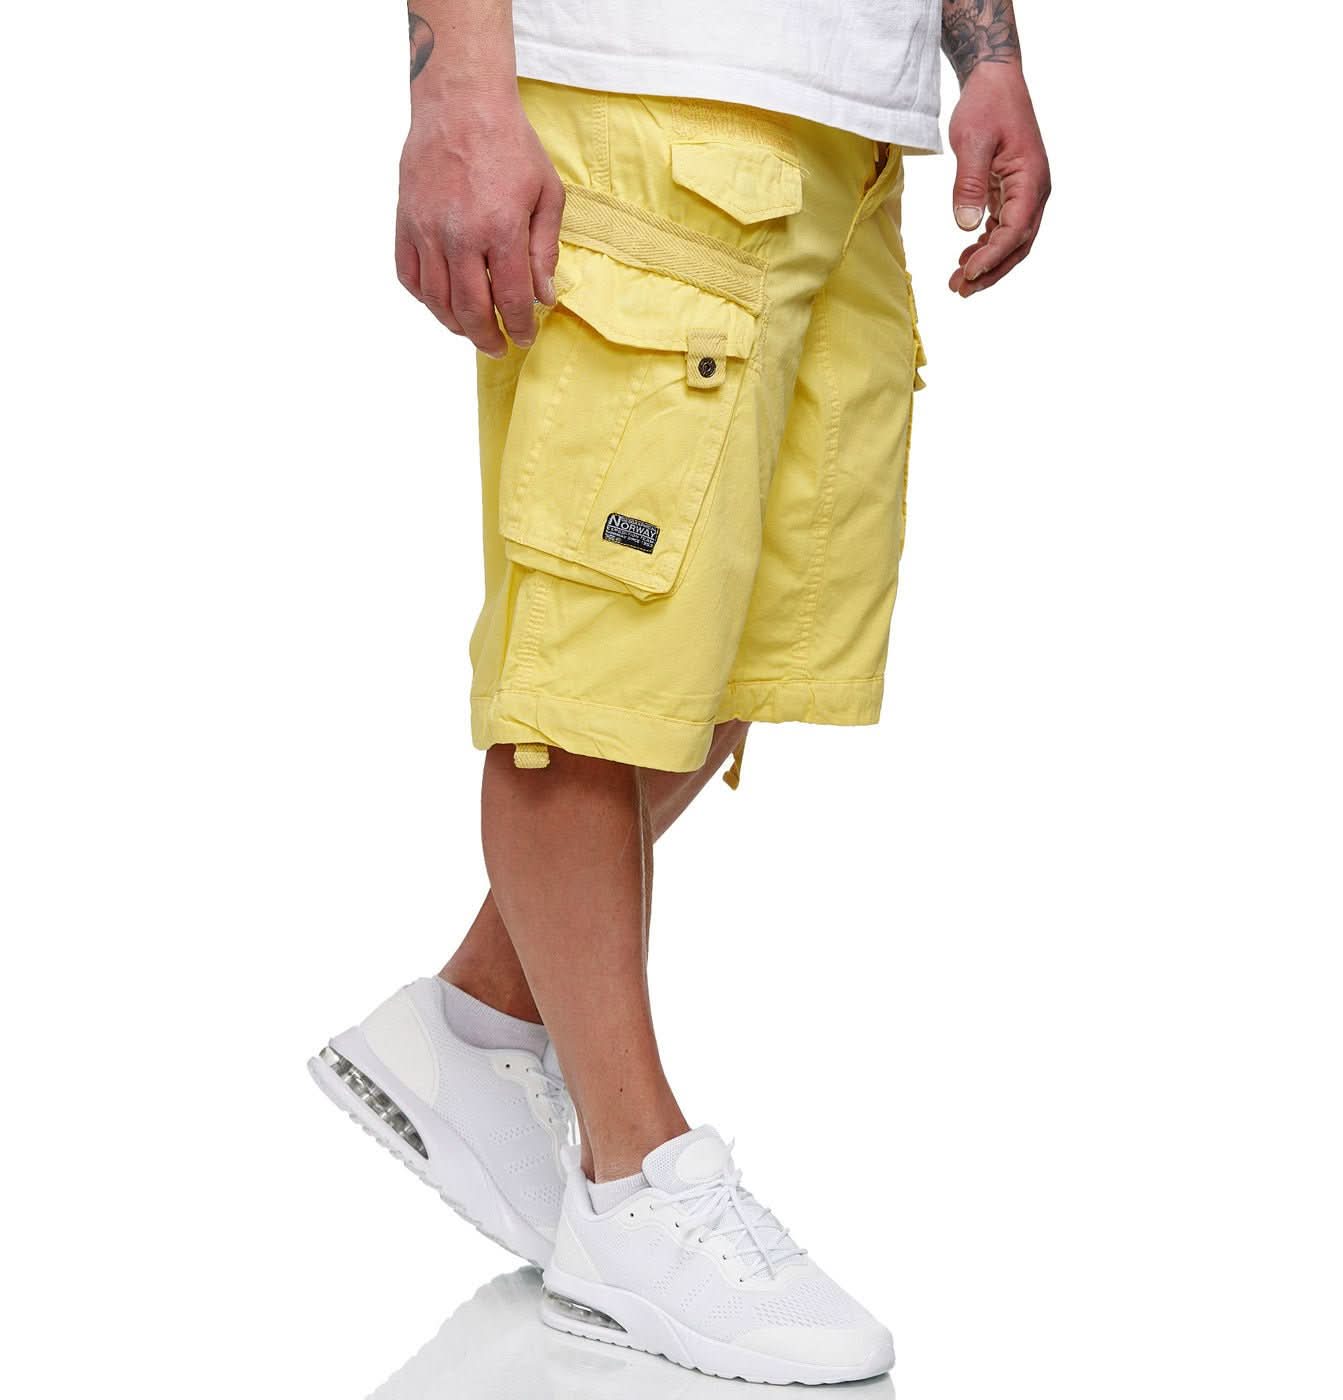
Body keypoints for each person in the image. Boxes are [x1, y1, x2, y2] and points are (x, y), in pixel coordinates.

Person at [312, 0, 1050, 1384]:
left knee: (722, 665)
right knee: (593, 682)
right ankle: (634, 1182)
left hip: (849, 135)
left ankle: (477, 1023)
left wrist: (988, 57)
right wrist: (454, 88)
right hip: (644, 100)